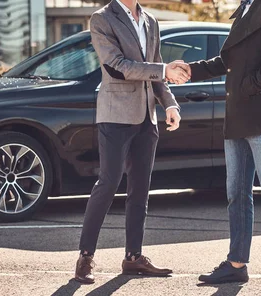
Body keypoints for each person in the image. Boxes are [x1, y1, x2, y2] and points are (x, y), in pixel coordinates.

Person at [179, 0, 261, 292]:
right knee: (236, 194)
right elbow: (228, 62)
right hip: (237, 120)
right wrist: (190, 70)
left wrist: (250, 85)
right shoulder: (243, 11)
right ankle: (236, 265)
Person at [73, 0, 190, 284]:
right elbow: (116, 66)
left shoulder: (150, 21)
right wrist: (163, 70)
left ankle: (133, 258)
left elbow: (155, 74)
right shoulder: (102, 19)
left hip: (146, 119)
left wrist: (170, 105)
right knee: (109, 182)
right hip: (115, 116)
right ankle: (85, 257)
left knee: (140, 189)